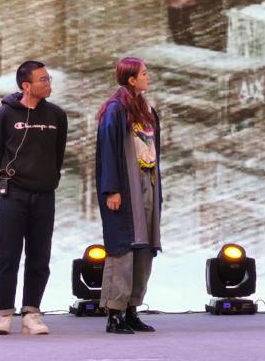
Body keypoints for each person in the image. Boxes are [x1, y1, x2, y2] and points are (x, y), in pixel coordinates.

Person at [0, 60, 68, 336]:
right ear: (26, 85)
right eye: (42, 79)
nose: (48, 83)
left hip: (44, 195)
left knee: (39, 256)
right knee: (8, 256)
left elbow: (58, 154)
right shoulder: (4, 114)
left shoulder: (57, 115)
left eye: (49, 78)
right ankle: (4, 314)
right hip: (13, 194)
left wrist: (50, 180)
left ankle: (32, 313)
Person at [96, 57, 163, 334]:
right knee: (123, 246)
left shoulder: (147, 109)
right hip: (126, 184)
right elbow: (108, 152)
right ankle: (115, 312)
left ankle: (133, 308)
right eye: (143, 73)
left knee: (144, 246)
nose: (148, 76)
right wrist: (112, 189)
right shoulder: (115, 109)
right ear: (131, 79)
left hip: (147, 181)